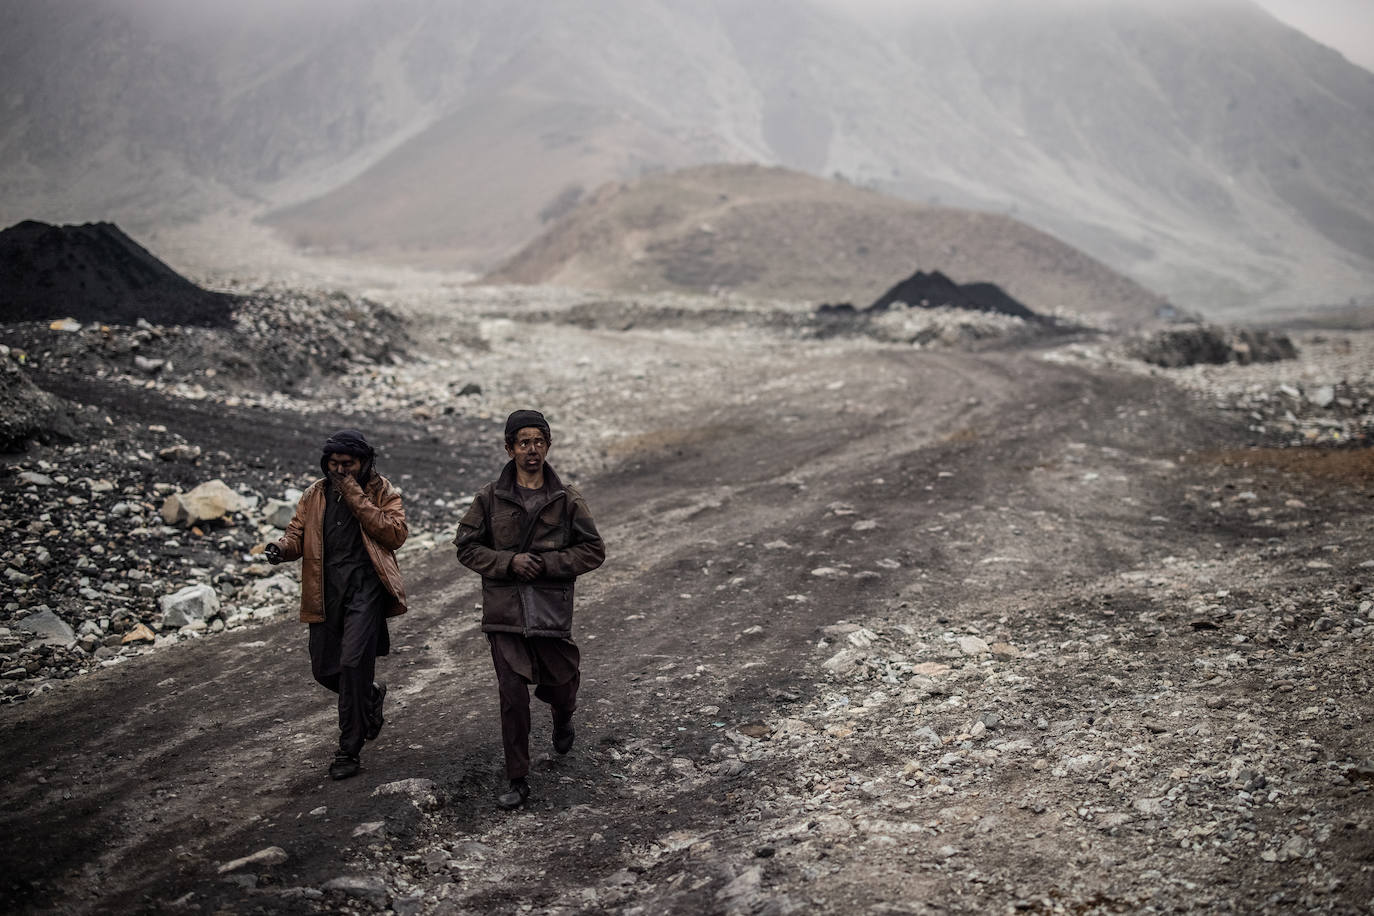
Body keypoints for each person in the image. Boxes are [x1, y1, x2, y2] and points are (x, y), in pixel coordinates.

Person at [454, 409, 605, 808]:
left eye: (539, 441)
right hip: (504, 614)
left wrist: (546, 564)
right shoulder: (489, 498)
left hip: (550, 613)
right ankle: (517, 778)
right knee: (512, 695)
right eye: (524, 443)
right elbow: (466, 547)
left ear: (548, 446)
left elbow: (593, 551)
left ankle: (563, 714)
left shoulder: (566, 498)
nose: (532, 449)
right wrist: (508, 563)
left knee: (560, 682)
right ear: (509, 449)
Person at [263, 429, 408, 780]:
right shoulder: (315, 494)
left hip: (366, 589)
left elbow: (395, 534)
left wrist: (356, 495)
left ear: (363, 463)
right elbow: (298, 533)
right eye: (334, 464)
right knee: (325, 670)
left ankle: (349, 749)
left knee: (353, 662)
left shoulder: (381, 491)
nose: (340, 470)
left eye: (348, 464)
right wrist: (282, 548)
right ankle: (369, 696)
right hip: (325, 590)